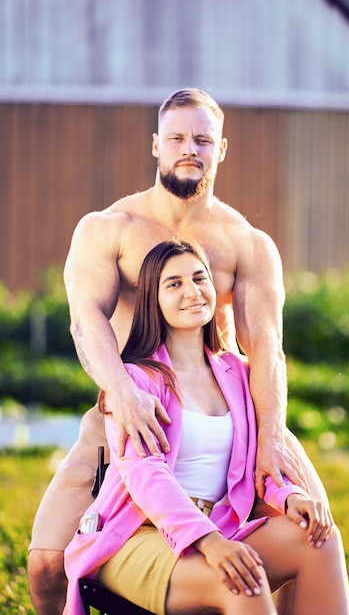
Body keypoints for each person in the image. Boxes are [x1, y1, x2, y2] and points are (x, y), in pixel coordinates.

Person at [28, 88, 332, 615]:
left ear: (222, 149)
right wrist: (123, 394)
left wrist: (271, 438)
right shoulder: (109, 228)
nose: (189, 148)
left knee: (317, 530)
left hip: (228, 413)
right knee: (47, 563)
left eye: (202, 139)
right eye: (176, 137)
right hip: (131, 412)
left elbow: (267, 347)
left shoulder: (247, 243)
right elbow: (86, 321)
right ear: (156, 145)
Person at [64, 239, 349, 615]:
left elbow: (256, 465)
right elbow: (146, 476)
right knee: (241, 580)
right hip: (138, 535)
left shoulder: (238, 374)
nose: (192, 291)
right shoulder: (136, 380)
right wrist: (210, 542)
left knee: (320, 538)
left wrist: (291, 497)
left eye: (199, 278)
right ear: (154, 299)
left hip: (217, 524)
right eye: (174, 284)